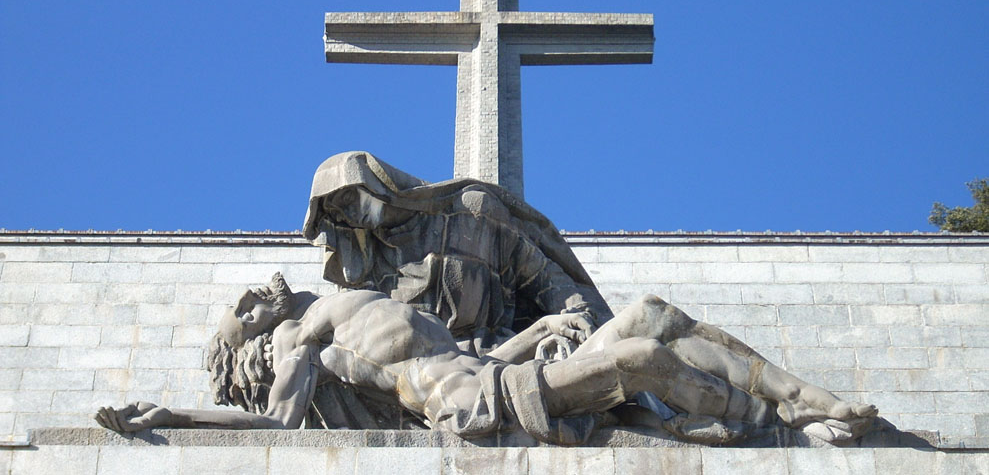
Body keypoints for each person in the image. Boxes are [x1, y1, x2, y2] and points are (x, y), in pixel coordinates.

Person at [95, 273, 877, 444]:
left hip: (498, 374)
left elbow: (462, 354)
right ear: (253, 336)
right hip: (484, 408)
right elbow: (272, 423)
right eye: (242, 310)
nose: (255, 292)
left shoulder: (350, 302)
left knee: (652, 315)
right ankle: (771, 428)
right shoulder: (304, 343)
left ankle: (805, 399)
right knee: (637, 354)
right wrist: (169, 417)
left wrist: (529, 336)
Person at [301, 151, 613, 357]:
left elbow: (545, 279)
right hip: (412, 374)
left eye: (346, 197)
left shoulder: (472, 213)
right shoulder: (366, 266)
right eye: (336, 212)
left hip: (494, 354)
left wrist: (582, 315)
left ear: (373, 183)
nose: (346, 213)